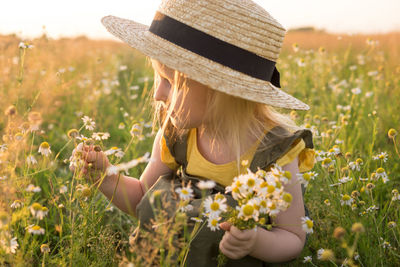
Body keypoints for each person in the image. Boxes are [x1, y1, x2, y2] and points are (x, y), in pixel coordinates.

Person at [71, 0, 316, 266]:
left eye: (170, 82)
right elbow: (144, 198)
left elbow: (292, 237)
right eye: (158, 79)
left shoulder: (273, 152)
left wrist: (255, 241)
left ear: (218, 90)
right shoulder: (176, 135)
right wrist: (106, 179)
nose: (157, 95)